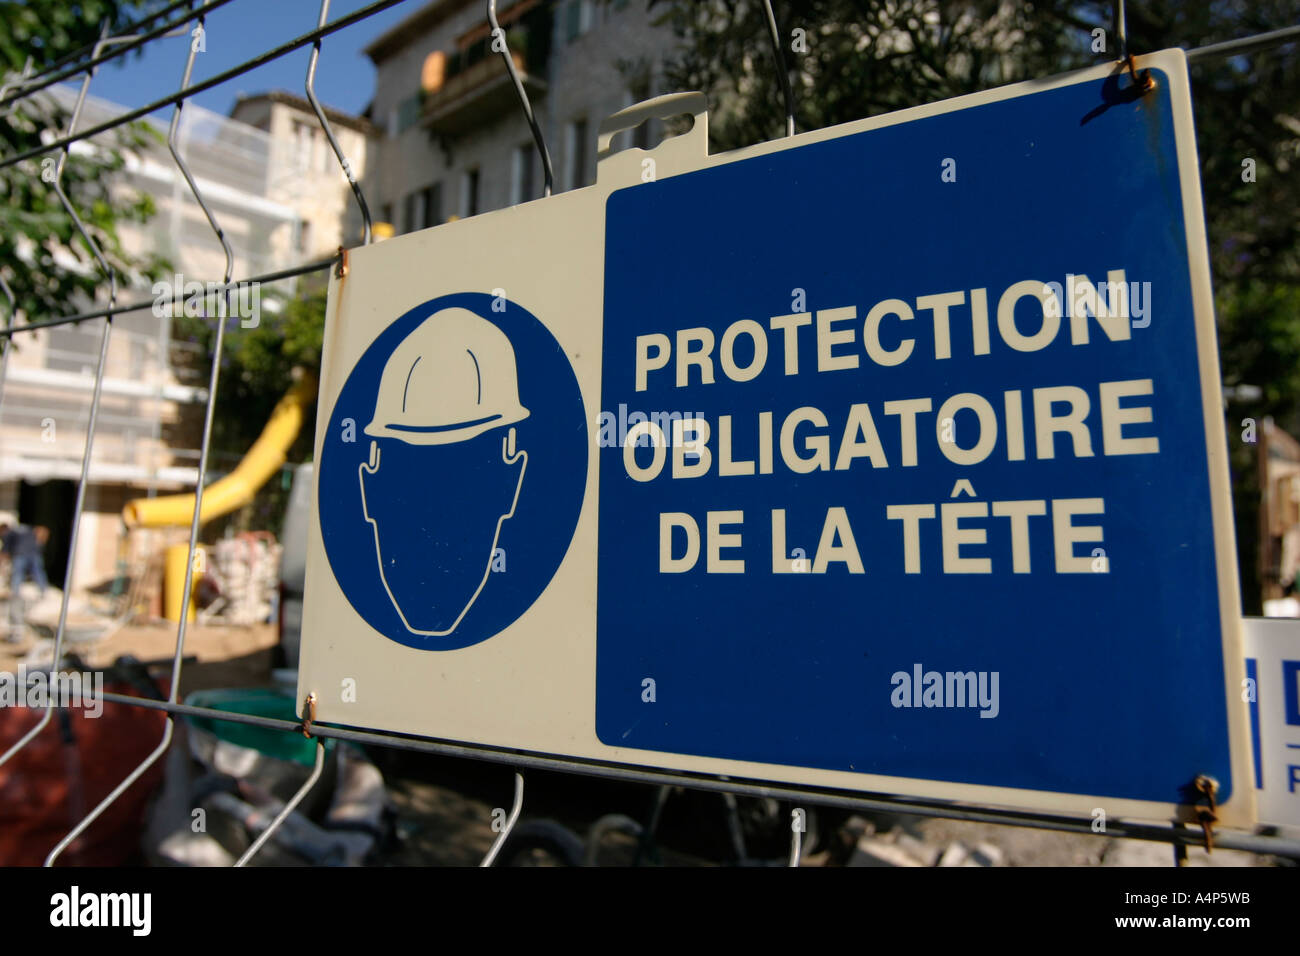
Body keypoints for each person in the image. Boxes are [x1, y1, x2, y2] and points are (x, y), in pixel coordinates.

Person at [0, 515, 49, 636]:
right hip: (34, 552)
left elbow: (5, 550)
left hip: (20, 554)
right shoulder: (24, 528)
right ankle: (43, 590)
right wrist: (40, 544)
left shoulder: (8, 534)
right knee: (38, 572)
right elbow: (42, 530)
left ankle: (15, 592)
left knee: (17, 574)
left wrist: (2, 563)